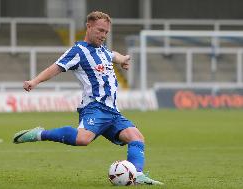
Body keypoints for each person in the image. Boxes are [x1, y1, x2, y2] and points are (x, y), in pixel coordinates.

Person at [13, 11, 163, 185]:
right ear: (89, 26)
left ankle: (137, 174)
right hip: (95, 108)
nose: (103, 35)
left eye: (106, 32)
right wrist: (35, 81)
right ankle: (39, 134)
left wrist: (122, 59)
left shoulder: (103, 51)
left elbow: (113, 55)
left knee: (136, 137)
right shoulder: (78, 51)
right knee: (83, 139)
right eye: (100, 30)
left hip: (113, 111)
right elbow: (56, 67)